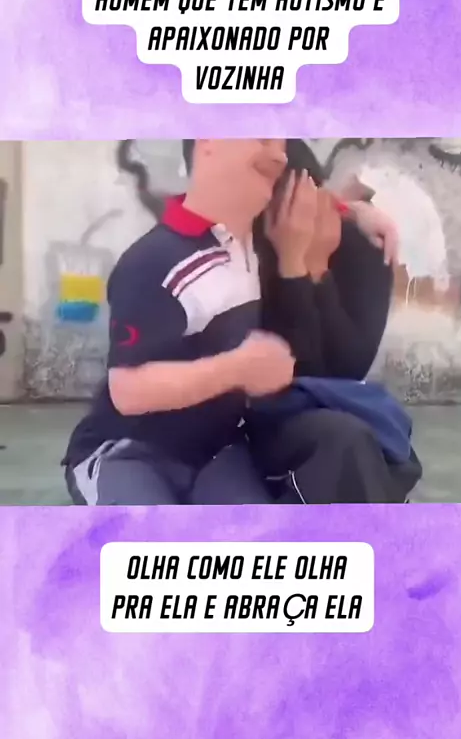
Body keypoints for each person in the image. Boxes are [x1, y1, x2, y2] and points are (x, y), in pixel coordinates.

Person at [63, 139, 299, 505]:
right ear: (209, 142)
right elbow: (128, 392)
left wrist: (365, 214)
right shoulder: (154, 259)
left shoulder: (254, 246)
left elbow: (322, 197)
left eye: (282, 144)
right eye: (263, 138)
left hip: (218, 450)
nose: (278, 155)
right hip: (127, 449)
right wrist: (239, 368)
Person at [249, 140, 422, 503]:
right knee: (346, 442)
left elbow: (344, 370)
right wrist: (293, 264)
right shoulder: (238, 250)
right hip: (262, 421)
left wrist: (316, 270)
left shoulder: (362, 250)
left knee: (358, 443)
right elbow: (290, 373)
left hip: (330, 411)